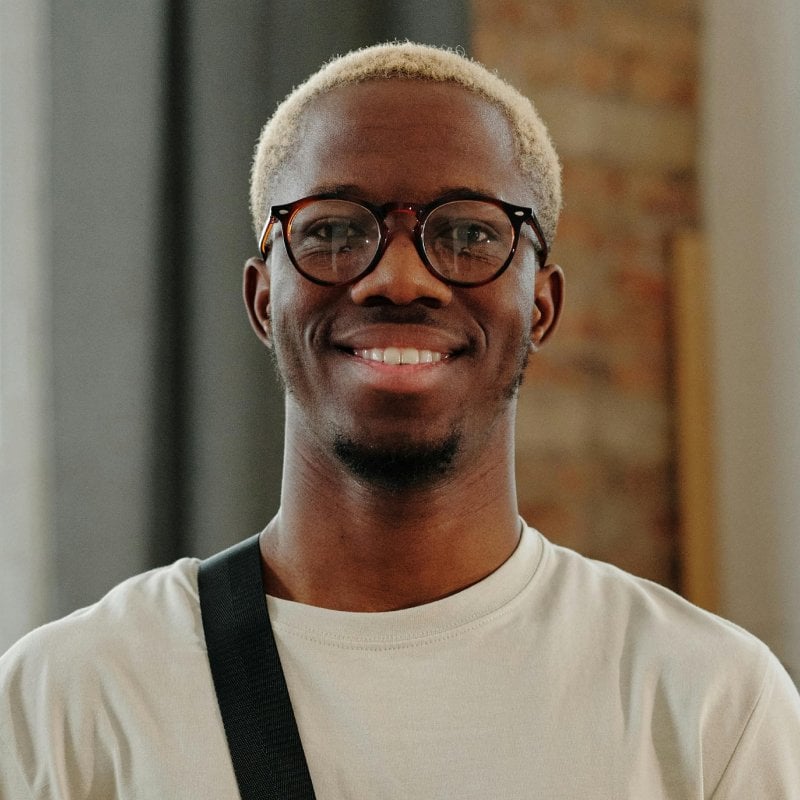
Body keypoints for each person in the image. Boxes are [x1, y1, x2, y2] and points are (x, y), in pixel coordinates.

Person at [1, 41, 799, 799]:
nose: (400, 277)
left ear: (542, 304)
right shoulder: (68, 701)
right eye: (333, 230)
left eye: (470, 233)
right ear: (262, 299)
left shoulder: (710, 704)